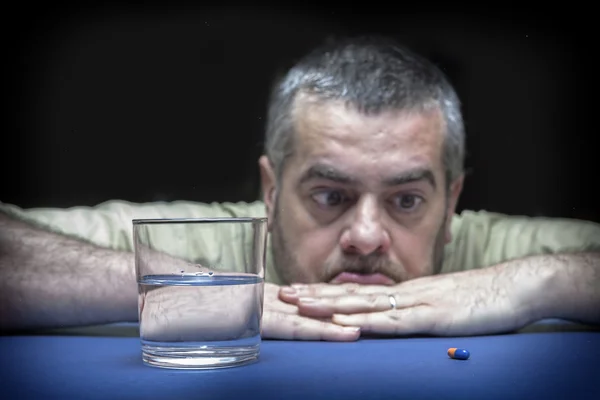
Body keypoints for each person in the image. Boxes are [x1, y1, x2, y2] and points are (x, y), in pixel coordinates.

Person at [1, 35, 599, 341]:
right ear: (270, 190)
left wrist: (540, 280)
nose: (366, 237)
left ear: (452, 205)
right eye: (330, 196)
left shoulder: (496, 251)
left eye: (408, 200)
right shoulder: (213, 244)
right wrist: (193, 290)